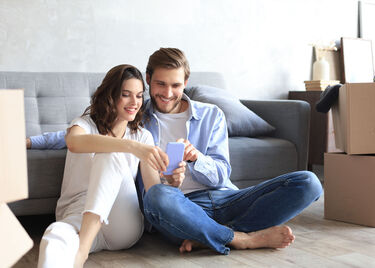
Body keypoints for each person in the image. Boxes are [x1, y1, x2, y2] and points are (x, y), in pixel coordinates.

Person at [30, 48, 323, 256]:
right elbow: (92, 130)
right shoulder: (136, 115)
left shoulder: (211, 115)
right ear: (148, 79)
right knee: (158, 195)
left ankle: (206, 236)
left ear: (186, 83)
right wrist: (29, 142)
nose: (167, 93)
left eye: (175, 85)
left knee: (308, 182)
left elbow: (223, 173)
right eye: (159, 84)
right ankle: (240, 238)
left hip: (223, 197)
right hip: (173, 205)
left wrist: (196, 160)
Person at [37, 64, 185, 268]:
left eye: (140, 96)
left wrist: (171, 183)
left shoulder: (143, 136)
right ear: (111, 95)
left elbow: (152, 192)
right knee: (54, 236)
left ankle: (81, 254)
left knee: (111, 156)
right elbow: (73, 143)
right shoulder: (84, 124)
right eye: (126, 94)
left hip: (121, 224)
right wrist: (131, 147)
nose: (135, 102)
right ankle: (82, 245)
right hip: (78, 215)